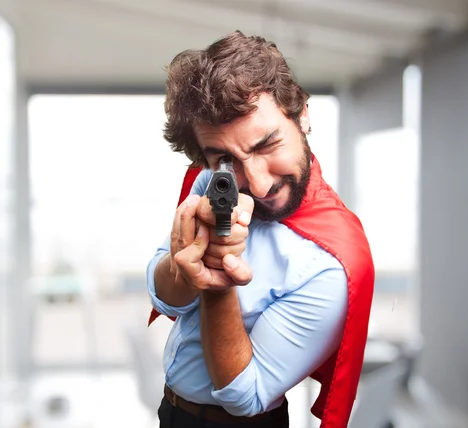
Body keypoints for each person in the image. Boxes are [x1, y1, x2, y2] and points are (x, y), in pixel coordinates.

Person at [146, 31, 374, 428]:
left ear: (301, 115)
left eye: (267, 145)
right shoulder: (216, 182)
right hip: (170, 410)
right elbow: (167, 298)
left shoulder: (332, 264)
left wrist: (218, 280)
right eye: (226, 159)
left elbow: (244, 397)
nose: (258, 183)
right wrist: (184, 268)